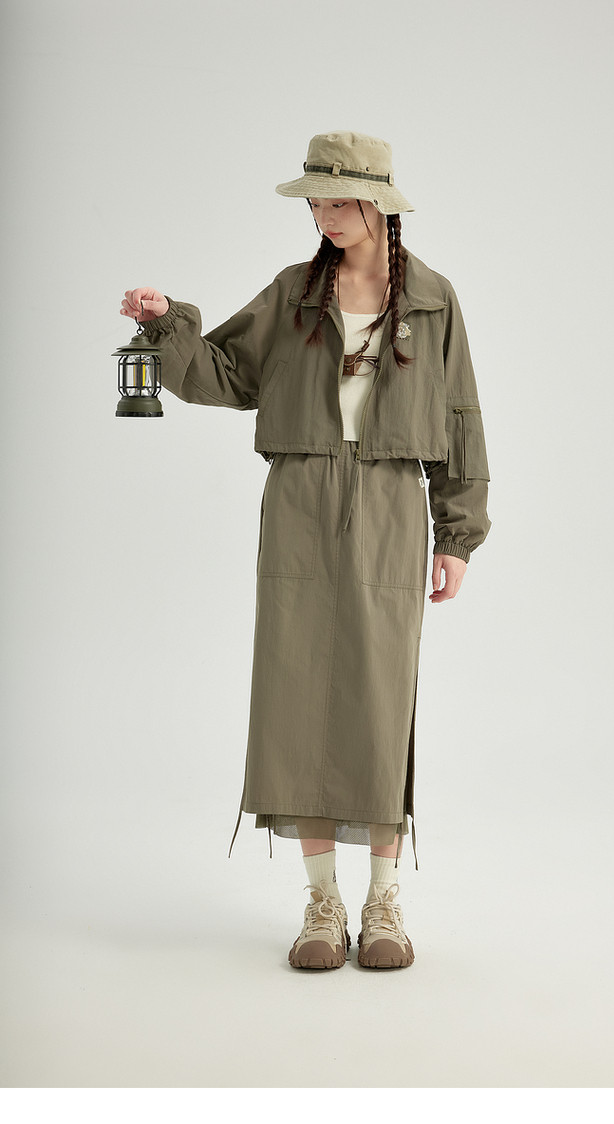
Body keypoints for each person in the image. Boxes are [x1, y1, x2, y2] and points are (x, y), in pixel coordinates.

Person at [120, 131, 491, 971]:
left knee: (379, 696)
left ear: (378, 205)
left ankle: (384, 901)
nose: (323, 214)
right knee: (296, 692)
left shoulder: (434, 300)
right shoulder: (293, 293)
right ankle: (322, 902)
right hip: (298, 500)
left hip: (392, 502)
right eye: (315, 201)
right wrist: (164, 322)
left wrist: (458, 533)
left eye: (336, 200)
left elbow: (461, 417)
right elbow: (223, 374)